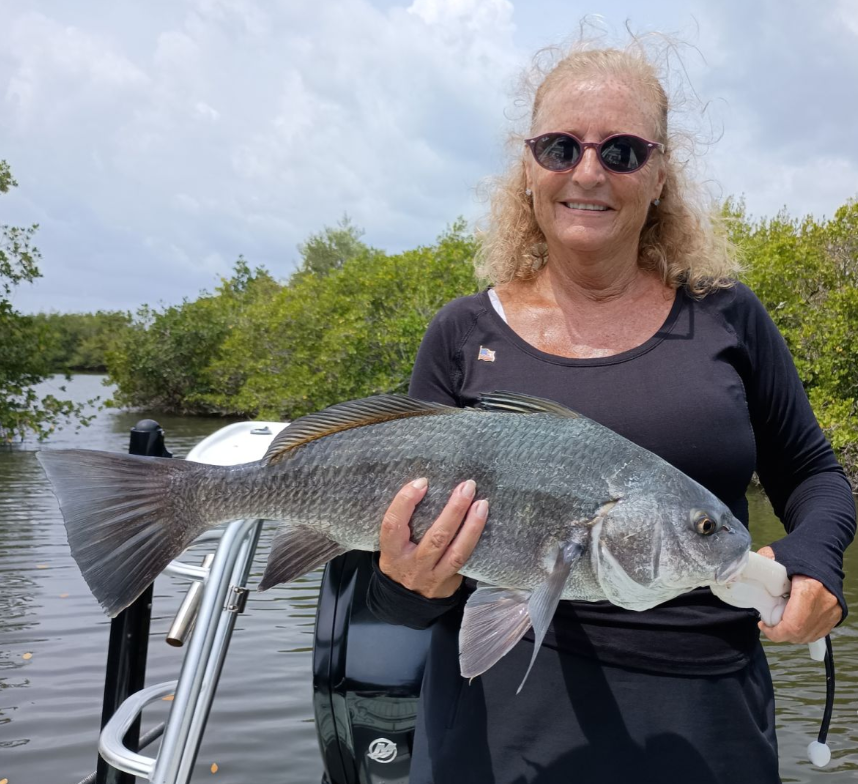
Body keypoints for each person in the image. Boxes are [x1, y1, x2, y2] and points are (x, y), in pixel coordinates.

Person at [366, 42, 856, 784]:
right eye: (560, 147)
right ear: (527, 169)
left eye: (623, 151)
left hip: (708, 726)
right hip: (496, 731)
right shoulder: (462, 334)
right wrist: (407, 583)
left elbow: (816, 475)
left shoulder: (728, 318)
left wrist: (816, 563)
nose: (588, 172)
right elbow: (403, 591)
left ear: (660, 176)